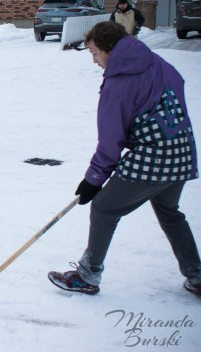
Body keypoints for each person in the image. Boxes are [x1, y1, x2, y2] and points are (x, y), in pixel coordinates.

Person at [48, 21, 200, 297]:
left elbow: (110, 142)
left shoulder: (118, 83)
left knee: (104, 208)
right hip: (183, 152)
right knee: (170, 212)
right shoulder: (157, 62)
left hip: (153, 157)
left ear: (110, 49)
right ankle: (197, 276)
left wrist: (93, 181)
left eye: (95, 53)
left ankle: (87, 275)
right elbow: (176, 89)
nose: (94, 61)